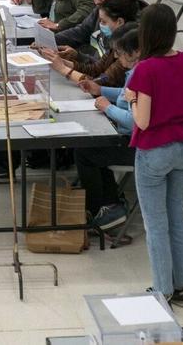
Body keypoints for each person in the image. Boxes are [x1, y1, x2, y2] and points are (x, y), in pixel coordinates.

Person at [124, 3, 183, 308]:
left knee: (155, 224)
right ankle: (182, 288)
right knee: (177, 220)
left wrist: (131, 99)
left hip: (152, 151)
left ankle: (162, 289)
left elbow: (141, 121)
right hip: (182, 148)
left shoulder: (145, 70)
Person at [73, 25, 139, 230]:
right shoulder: (135, 71)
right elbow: (124, 94)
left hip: (137, 145)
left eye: (119, 53)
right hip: (129, 137)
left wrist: (108, 108)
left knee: (86, 152)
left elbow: (134, 119)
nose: (117, 58)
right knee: (93, 147)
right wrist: (100, 89)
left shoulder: (140, 75)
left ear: (135, 52)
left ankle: (99, 207)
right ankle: (111, 201)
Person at [48, 0, 141, 83]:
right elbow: (95, 69)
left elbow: (100, 83)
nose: (100, 25)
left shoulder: (129, 49)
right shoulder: (118, 39)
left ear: (120, 22)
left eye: (103, 22)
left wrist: (63, 69)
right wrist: (62, 61)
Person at [55, 0, 126, 51]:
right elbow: (81, 31)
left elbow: (106, 62)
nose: (97, 2)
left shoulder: (133, 24)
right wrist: (49, 40)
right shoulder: (100, 8)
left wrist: (77, 58)